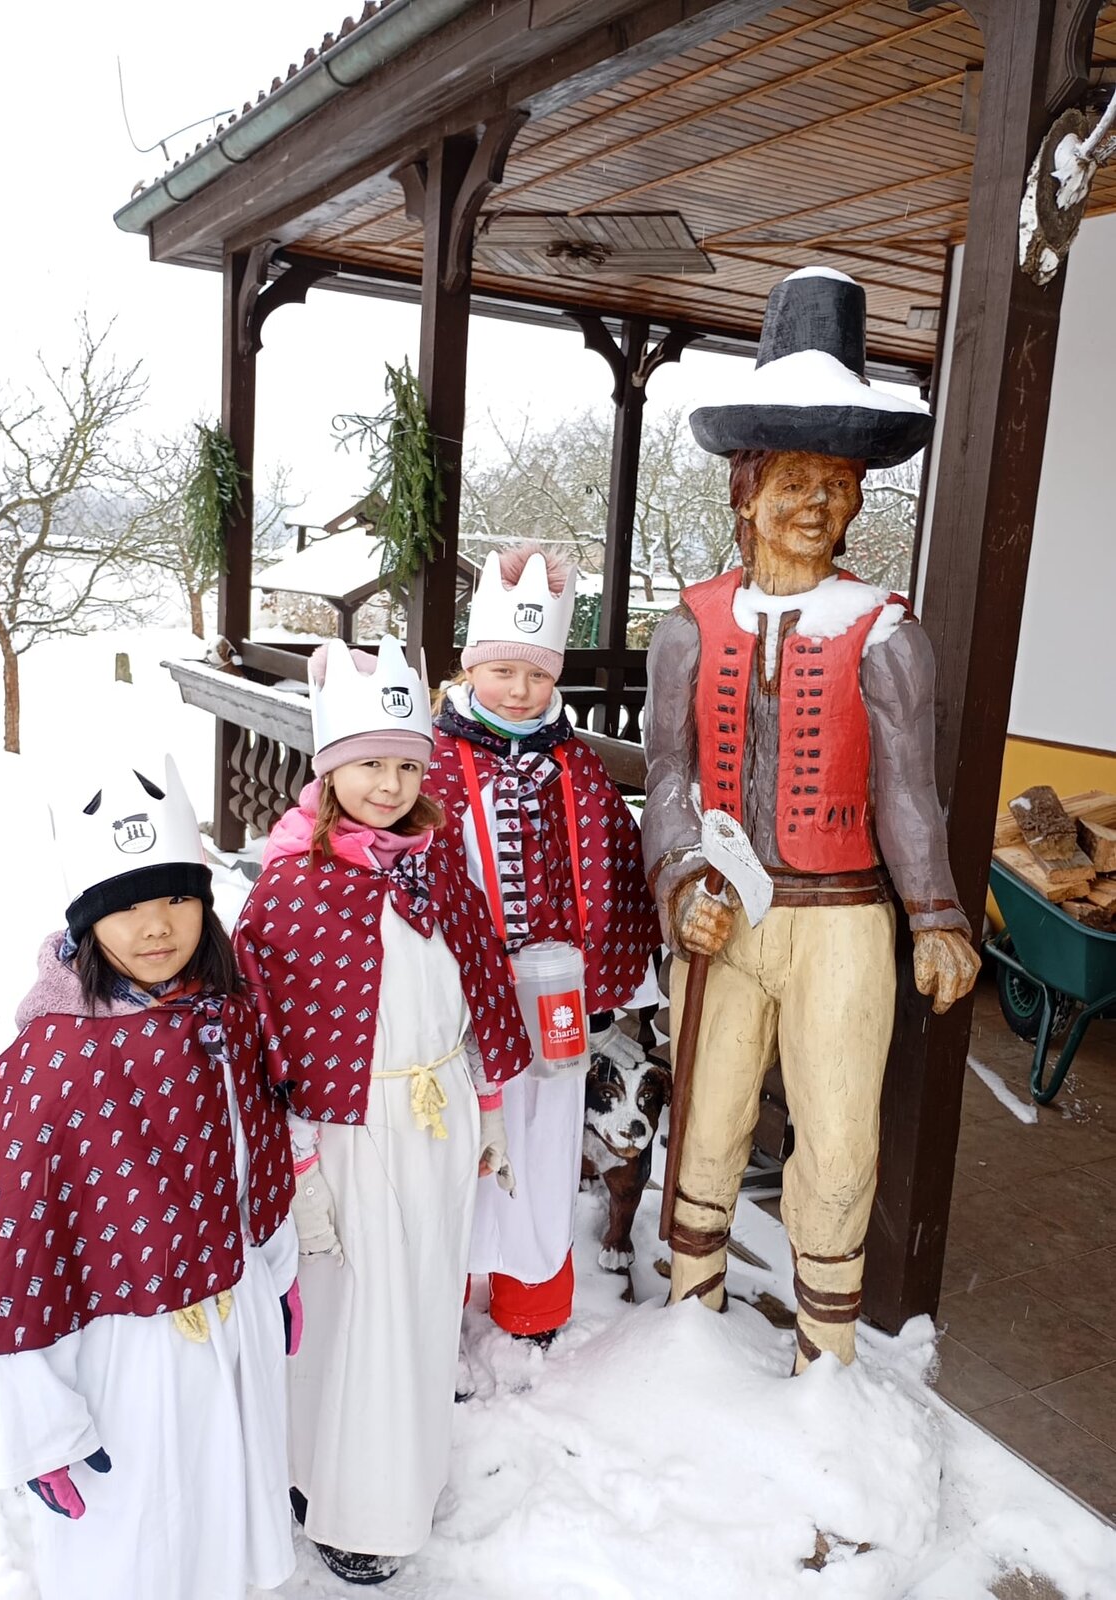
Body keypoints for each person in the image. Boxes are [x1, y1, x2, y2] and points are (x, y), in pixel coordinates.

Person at [642, 267, 981, 1372]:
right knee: (706, 1118)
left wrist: (933, 913)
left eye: (836, 484)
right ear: (744, 493)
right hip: (722, 913)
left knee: (836, 1139)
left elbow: (906, 791)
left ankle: (824, 1362)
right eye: (792, 480)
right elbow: (668, 775)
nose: (815, 504)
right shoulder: (688, 626)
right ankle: (687, 1328)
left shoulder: (884, 632)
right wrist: (678, 878)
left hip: (840, 918)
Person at [0, 756, 298, 1600]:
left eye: (176, 897)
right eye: (125, 906)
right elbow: (7, 1262)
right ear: (87, 921)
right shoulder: (51, 1063)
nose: (156, 927)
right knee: (136, 1551)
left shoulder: (222, 1014)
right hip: (123, 1358)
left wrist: (275, 1271)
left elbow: (254, 1156)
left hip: (229, 1322)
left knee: (220, 1538)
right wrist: (36, 1428)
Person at [233, 635, 531, 1587]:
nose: (389, 785)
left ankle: (396, 1479)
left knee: (419, 1309)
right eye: (368, 765)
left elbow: (477, 990)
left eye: (406, 765)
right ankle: (341, 1498)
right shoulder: (290, 890)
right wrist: (299, 1168)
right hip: (350, 1136)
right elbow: (268, 1043)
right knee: (355, 1317)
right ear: (329, 771)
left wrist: (488, 1107)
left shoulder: (435, 868)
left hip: (435, 1124)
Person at [427, 544, 661, 1344]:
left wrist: (604, 982)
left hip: (554, 1000)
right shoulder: (431, 764)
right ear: (471, 668)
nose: (520, 690)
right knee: (457, 1147)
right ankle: (440, 1299)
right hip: (459, 1004)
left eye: (536, 675)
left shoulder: (577, 767)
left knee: (544, 1144)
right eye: (503, 672)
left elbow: (612, 869)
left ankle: (531, 1304)